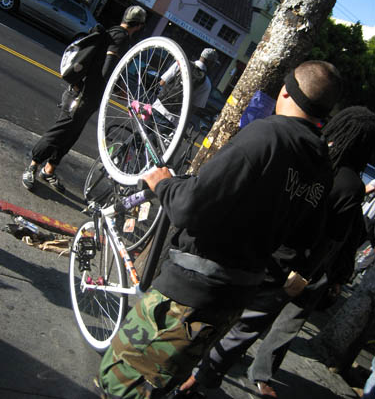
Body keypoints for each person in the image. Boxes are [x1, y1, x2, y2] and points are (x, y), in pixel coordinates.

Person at [97, 60, 342, 398]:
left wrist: (165, 184)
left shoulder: (267, 134)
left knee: (123, 380)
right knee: (162, 379)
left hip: (189, 291)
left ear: (286, 90)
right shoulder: (320, 165)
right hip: (234, 298)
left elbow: (189, 207)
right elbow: (303, 241)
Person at [188, 106, 375, 399]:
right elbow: (334, 239)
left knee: (215, 313)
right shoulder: (350, 185)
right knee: (245, 328)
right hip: (288, 267)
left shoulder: (306, 153)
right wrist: (308, 273)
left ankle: (180, 366)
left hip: (252, 246)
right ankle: (202, 380)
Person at [22, 5, 147, 193]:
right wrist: (114, 87)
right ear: (139, 26)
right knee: (61, 131)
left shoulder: (114, 32)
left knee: (71, 134)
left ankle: (49, 170)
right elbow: (108, 68)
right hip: (82, 95)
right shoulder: (120, 37)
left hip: (86, 95)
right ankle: (33, 165)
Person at [153, 47, 219, 127]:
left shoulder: (182, 64)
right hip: (172, 119)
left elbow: (162, 82)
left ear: (201, 56)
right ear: (211, 63)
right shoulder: (206, 83)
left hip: (158, 106)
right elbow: (194, 108)